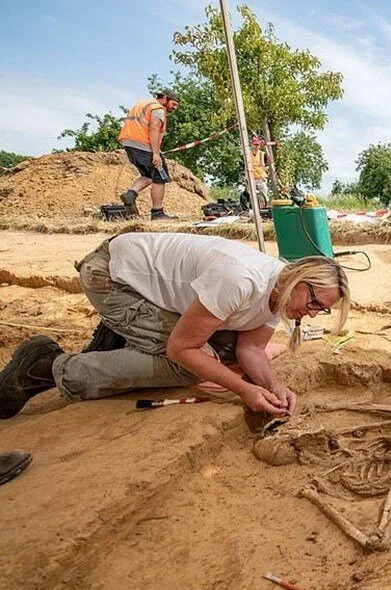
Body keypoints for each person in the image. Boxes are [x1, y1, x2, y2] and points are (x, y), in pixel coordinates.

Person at [0, 233, 350, 419]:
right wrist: (244, 390)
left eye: (322, 310)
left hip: (147, 288)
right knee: (188, 365)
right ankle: (48, 368)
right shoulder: (241, 279)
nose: (315, 313)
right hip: (111, 276)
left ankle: (119, 337)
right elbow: (182, 349)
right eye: (315, 302)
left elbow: (251, 348)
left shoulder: (281, 292)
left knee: (225, 351)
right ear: (299, 278)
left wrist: (273, 385)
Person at [118, 89, 180, 221]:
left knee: (148, 176)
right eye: (173, 104)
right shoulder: (158, 108)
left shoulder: (142, 104)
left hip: (129, 145)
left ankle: (131, 194)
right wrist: (156, 153)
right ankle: (157, 213)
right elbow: (154, 128)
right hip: (144, 145)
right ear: (164, 99)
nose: (174, 108)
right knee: (160, 177)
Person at [250, 136, 270, 206]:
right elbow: (246, 166)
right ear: (252, 145)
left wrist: (265, 168)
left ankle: (265, 208)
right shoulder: (248, 154)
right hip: (252, 178)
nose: (257, 146)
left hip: (261, 178)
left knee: (264, 196)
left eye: (258, 145)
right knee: (253, 197)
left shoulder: (262, 154)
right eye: (255, 144)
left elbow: (269, 164)